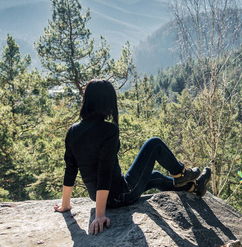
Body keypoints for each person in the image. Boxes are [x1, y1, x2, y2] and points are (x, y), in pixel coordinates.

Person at [54, 79, 211, 235]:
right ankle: (181, 173)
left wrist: (65, 205)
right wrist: (100, 215)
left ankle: (194, 187)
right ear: (106, 102)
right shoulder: (109, 130)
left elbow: (71, 168)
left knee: (155, 176)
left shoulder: (73, 131)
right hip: (119, 195)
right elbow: (105, 170)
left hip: (101, 197)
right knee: (154, 144)